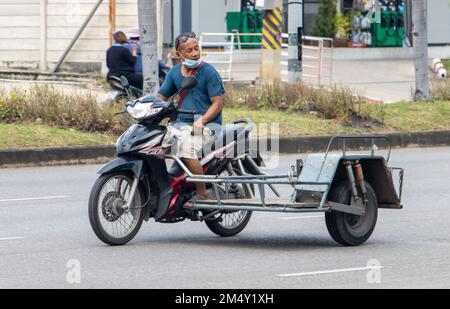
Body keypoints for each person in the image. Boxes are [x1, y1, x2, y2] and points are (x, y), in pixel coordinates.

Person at [157, 32, 225, 202]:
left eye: (196, 48)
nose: (195, 53)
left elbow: (218, 103)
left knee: (186, 149)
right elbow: (160, 97)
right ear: (179, 54)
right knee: (152, 147)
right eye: (189, 50)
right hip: (179, 125)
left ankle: (201, 193)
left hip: (207, 126)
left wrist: (202, 120)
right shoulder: (173, 73)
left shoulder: (209, 72)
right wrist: (144, 108)